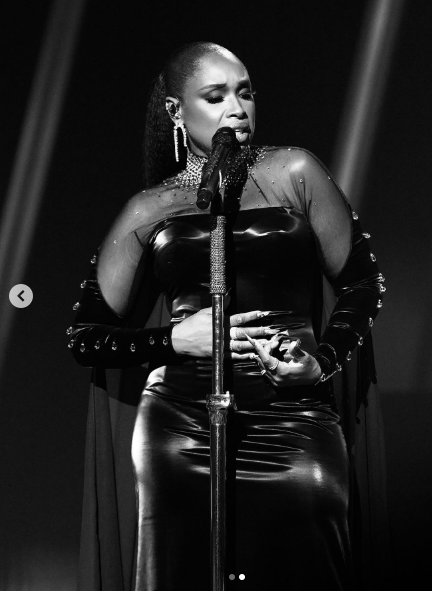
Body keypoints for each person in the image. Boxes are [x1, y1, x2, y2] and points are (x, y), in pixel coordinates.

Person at [68, 42, 385, 591]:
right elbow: (84, 336)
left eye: (245, 92)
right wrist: (174, 341)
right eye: (215, 97)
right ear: (175, 111)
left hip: (295, 420)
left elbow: (363, 282)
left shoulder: (294, 171)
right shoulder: (152, 207)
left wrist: (323, 362)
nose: (236, 108)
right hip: (181, 427)